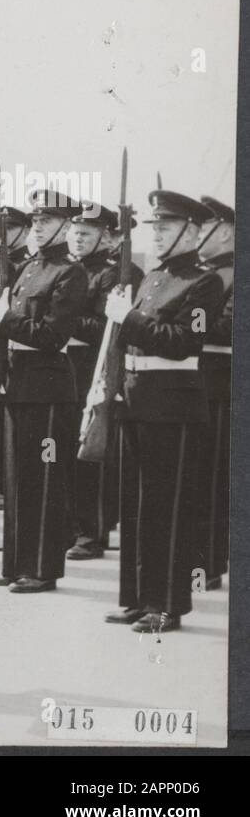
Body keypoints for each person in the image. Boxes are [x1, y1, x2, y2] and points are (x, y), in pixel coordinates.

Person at [104, 190, 221, 631]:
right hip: (137, 398)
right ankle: (137, 597)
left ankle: (167, 604)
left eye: (167, 227)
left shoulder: (205, 282)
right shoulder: (153, 278)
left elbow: (183, 342)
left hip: (173, 404)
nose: (157, 236)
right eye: (155, 228)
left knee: (167, 507)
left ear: (192, 231)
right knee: (135, 505)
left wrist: (127, 318)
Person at [0, 189, 89, 593]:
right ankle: (16, 564)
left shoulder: (69, 272)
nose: (38, 226)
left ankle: (42, 569)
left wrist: (5, 317)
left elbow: (51, 334)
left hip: (48, 388)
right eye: (36, 220)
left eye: (46, 221)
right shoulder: (29, 267)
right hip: (19, 382)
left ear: (65, 224)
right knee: (17, 479)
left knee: (43, 480)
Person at [65, 203, 141, 560]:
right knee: (65, 450)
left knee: (91, 451)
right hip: (62, 365)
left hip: (91, 366)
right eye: (74, 231)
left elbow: (107, 329)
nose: (78, 238)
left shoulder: (114, 276)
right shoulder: (66, 269)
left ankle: (92, 532)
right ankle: (70, 526)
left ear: (107, 238)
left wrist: (62, 320)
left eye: (87, 233)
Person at [194, 196, 233, 591]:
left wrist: (187, 318)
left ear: (224, 230)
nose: (197, 236)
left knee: (212, 479)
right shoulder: (203, 273)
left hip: (221, 384)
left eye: (202, 228)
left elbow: (226, 328)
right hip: (194, 381)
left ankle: (209, 563)